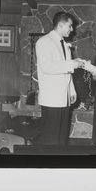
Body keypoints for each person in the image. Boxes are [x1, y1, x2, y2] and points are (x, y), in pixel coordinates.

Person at [35, 12, 84, 145]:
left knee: (62, 137)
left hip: (64, 98)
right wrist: (73, 63)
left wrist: (72, 91)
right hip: (51, 99)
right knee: (50, 138)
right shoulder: (44, 42)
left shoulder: (64, 45)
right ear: (60, 25)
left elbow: (66, 71)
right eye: (70, 26)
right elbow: (47, 67)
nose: (72, 29)